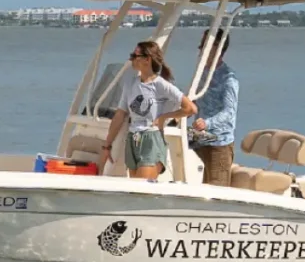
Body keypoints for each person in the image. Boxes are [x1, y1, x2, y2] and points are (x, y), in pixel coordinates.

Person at [101, 41, 192, 181]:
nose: (131, 59)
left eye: (135, 55)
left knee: (141, 188)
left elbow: (190, 108)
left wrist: (164, 118)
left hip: (151, 140)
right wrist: (107, 146)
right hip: (133, 139)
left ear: (147, 59)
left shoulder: (161, 85)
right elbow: (120, 115)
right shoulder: (130, 83)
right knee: (134, 190)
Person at [189, 40, 240, 185]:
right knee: (170, 142)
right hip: (200, 138)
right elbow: (195, 101)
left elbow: (229, 112)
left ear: (217, 48)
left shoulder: (229, 78)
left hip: (219, 143)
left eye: (204, 43)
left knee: (216, 191)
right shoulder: (201, 72)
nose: (199, 47)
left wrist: (207, 122)